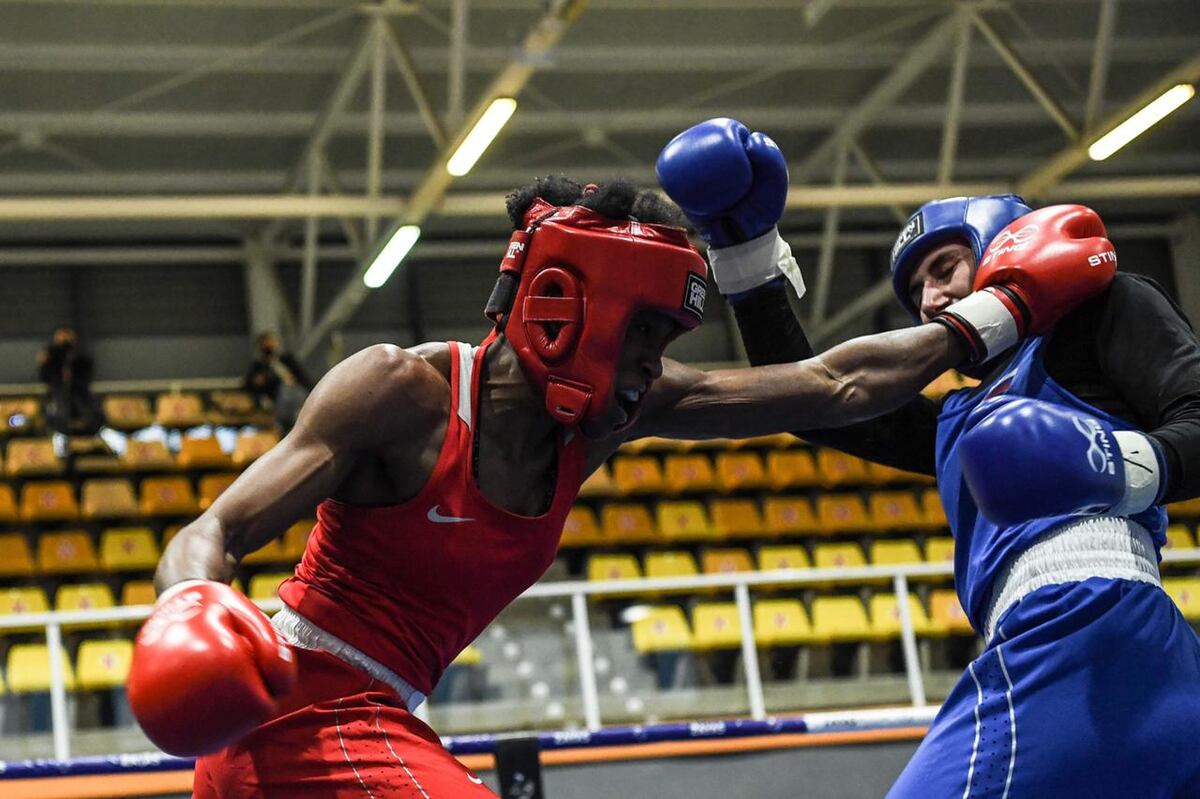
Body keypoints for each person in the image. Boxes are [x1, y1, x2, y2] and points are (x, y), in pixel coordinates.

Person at [128, 174, 1111, 798]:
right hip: (299, 715)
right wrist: (190, 611)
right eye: (642, 330)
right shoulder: (401, 390)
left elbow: (833, 386)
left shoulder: (602, 421)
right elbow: (214, 529)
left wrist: (999, 310)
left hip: (373, 722)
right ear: (564, 303)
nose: (651, 362)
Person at [658, 118, 1200, 797]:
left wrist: (1113, 464)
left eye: (944, 270)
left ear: (1005, 247)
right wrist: (746, 256)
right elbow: (815, 400)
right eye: (918, 292)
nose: (931, 299)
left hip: (1083, 626)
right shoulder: (961, 422)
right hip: (1123, 657)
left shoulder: (1101, 310)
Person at [37, 325, 103, 435]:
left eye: (67, 338)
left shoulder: (82, 359)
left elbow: (86, 376)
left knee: (90, 413)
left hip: (80, 395)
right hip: (58, 395)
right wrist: (44, 363)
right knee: (55, 412)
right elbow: (45, 378)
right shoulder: (52, 360)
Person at [243, 332, 313, 433]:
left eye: (271, 342)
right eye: (265, 343)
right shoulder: (259, 366)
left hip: (295, 395)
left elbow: (303, 377)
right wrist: (257, 383)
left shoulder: (287, 360)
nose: (269, 345)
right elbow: (249, 384)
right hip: (275, 400)